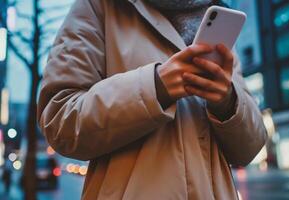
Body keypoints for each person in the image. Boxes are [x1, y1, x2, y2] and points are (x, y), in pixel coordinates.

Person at [37, 0, 267, 199]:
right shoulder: (98, 6)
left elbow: (250, 148)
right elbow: (59, 120)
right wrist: (155, 87)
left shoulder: (217, 15)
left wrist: (227, 102)